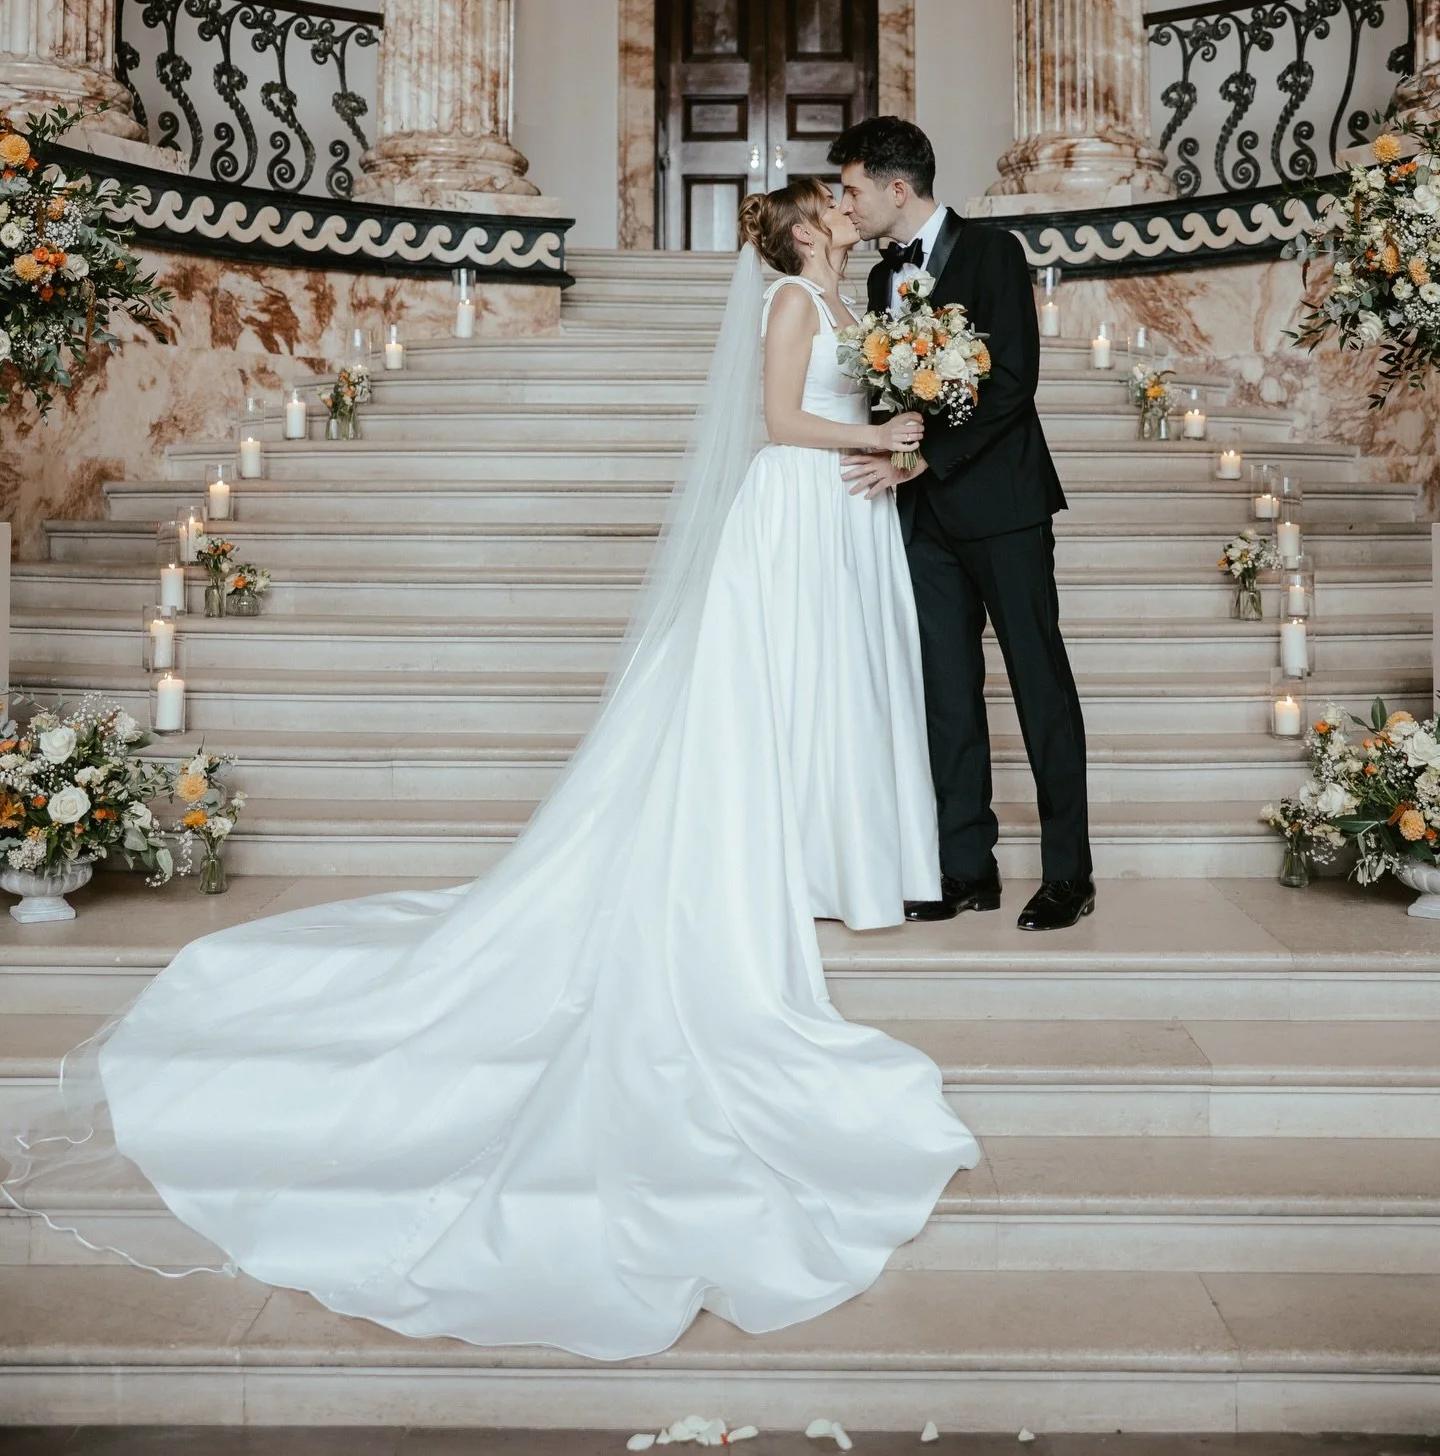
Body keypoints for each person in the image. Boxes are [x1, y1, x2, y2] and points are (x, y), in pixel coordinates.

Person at [3, 176, 979, 1363]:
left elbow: (875, 400)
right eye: (829, 205)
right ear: (801, 230)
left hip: (847, 512)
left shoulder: (862, 297)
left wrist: (907, 435)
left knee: (830, 696)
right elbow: (778, 423)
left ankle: (832, 850)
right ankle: (768, 852)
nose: (843, 210)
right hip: (790, 512)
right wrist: (875, 428)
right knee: (768, 697)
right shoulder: (787, 303)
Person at [832, 117, 1094, 933]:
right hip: (922, 519)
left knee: (1038, 684)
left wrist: (922, 460)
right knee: (946, 691)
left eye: (852, 188)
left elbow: (1014, 382)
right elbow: (889, 396)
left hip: (1004, 507)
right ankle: (965, 865)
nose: (849, 203)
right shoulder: (880, 284)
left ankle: (1068, 875)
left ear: (896, 187)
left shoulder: (994, 255)